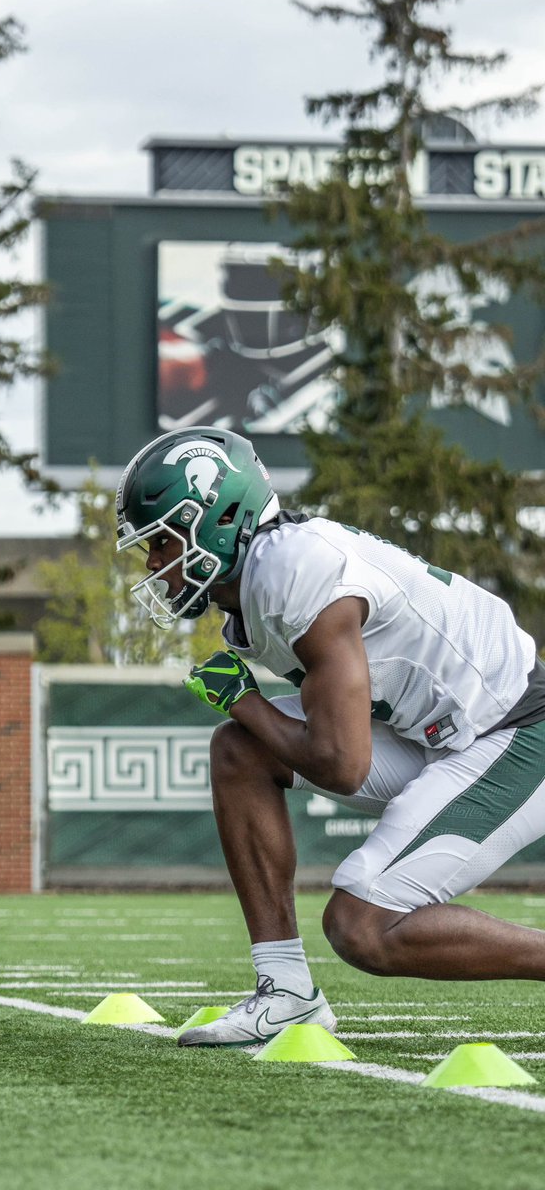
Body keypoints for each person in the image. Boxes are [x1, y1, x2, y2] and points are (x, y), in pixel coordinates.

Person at [116, 425, 545, 1048]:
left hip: (517, 731)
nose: (155, 563)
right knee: (239, 753)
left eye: (162, 541)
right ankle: (285, 990)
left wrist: (245, 702)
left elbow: (341, 764)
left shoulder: (297, 573)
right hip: (437, 730)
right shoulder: (254, 590)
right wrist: (247, 717)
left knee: (361, 923)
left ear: (218, 518)